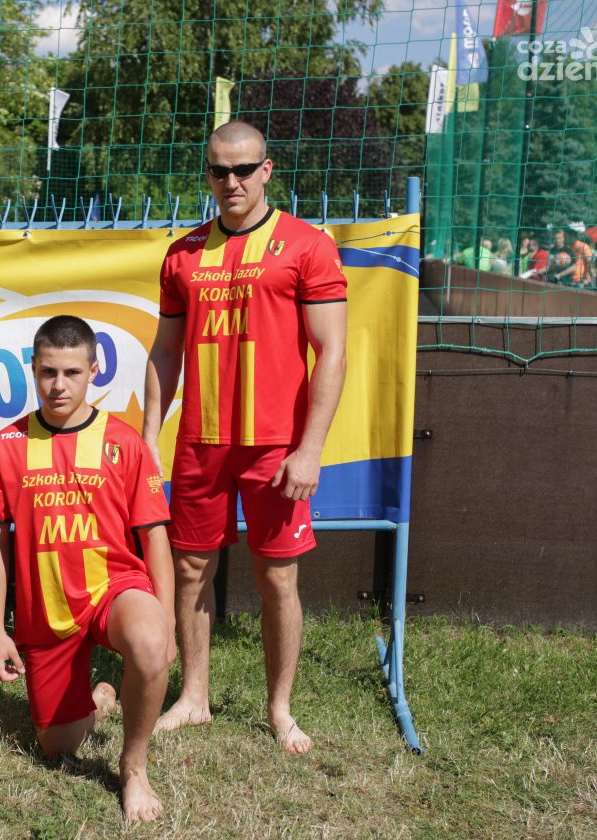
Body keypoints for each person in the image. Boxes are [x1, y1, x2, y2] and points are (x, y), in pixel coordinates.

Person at [143, 120, 348, 753]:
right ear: (207, 174)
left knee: (277, 578)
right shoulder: (182, 253)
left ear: (266, 170)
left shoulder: (307, 245)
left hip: (277, 446)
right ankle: (194, 698)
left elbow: (332, 352)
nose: (230, 181)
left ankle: (280, 709)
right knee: (189, 570)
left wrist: (310, 449)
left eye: (242, 169)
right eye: (218, 170)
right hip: (201, 442)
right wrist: (149, 438)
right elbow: (165, 352)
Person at [0, 316, 176, 823]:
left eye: (71, 372)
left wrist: (169, 623)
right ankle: (100, 700)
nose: (59, 385)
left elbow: (155, 537)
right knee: (56, 746)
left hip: (114, 588)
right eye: (48, 372)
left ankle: (133, 767)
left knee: (150, 641)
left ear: (94, 370)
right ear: (33, 369)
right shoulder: (6, 445)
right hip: (47, 609)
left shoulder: (124, 442)